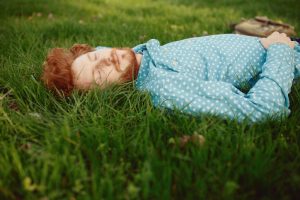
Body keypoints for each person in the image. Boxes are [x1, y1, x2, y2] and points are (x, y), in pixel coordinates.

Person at [41, 31, 300, 122]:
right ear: (106, 94)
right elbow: (263, 110)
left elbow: (100, 55)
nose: (107, 58)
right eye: (99, 74)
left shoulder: (133, 58)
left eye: (97, 56)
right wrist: (279, 50)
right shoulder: (165, 88)